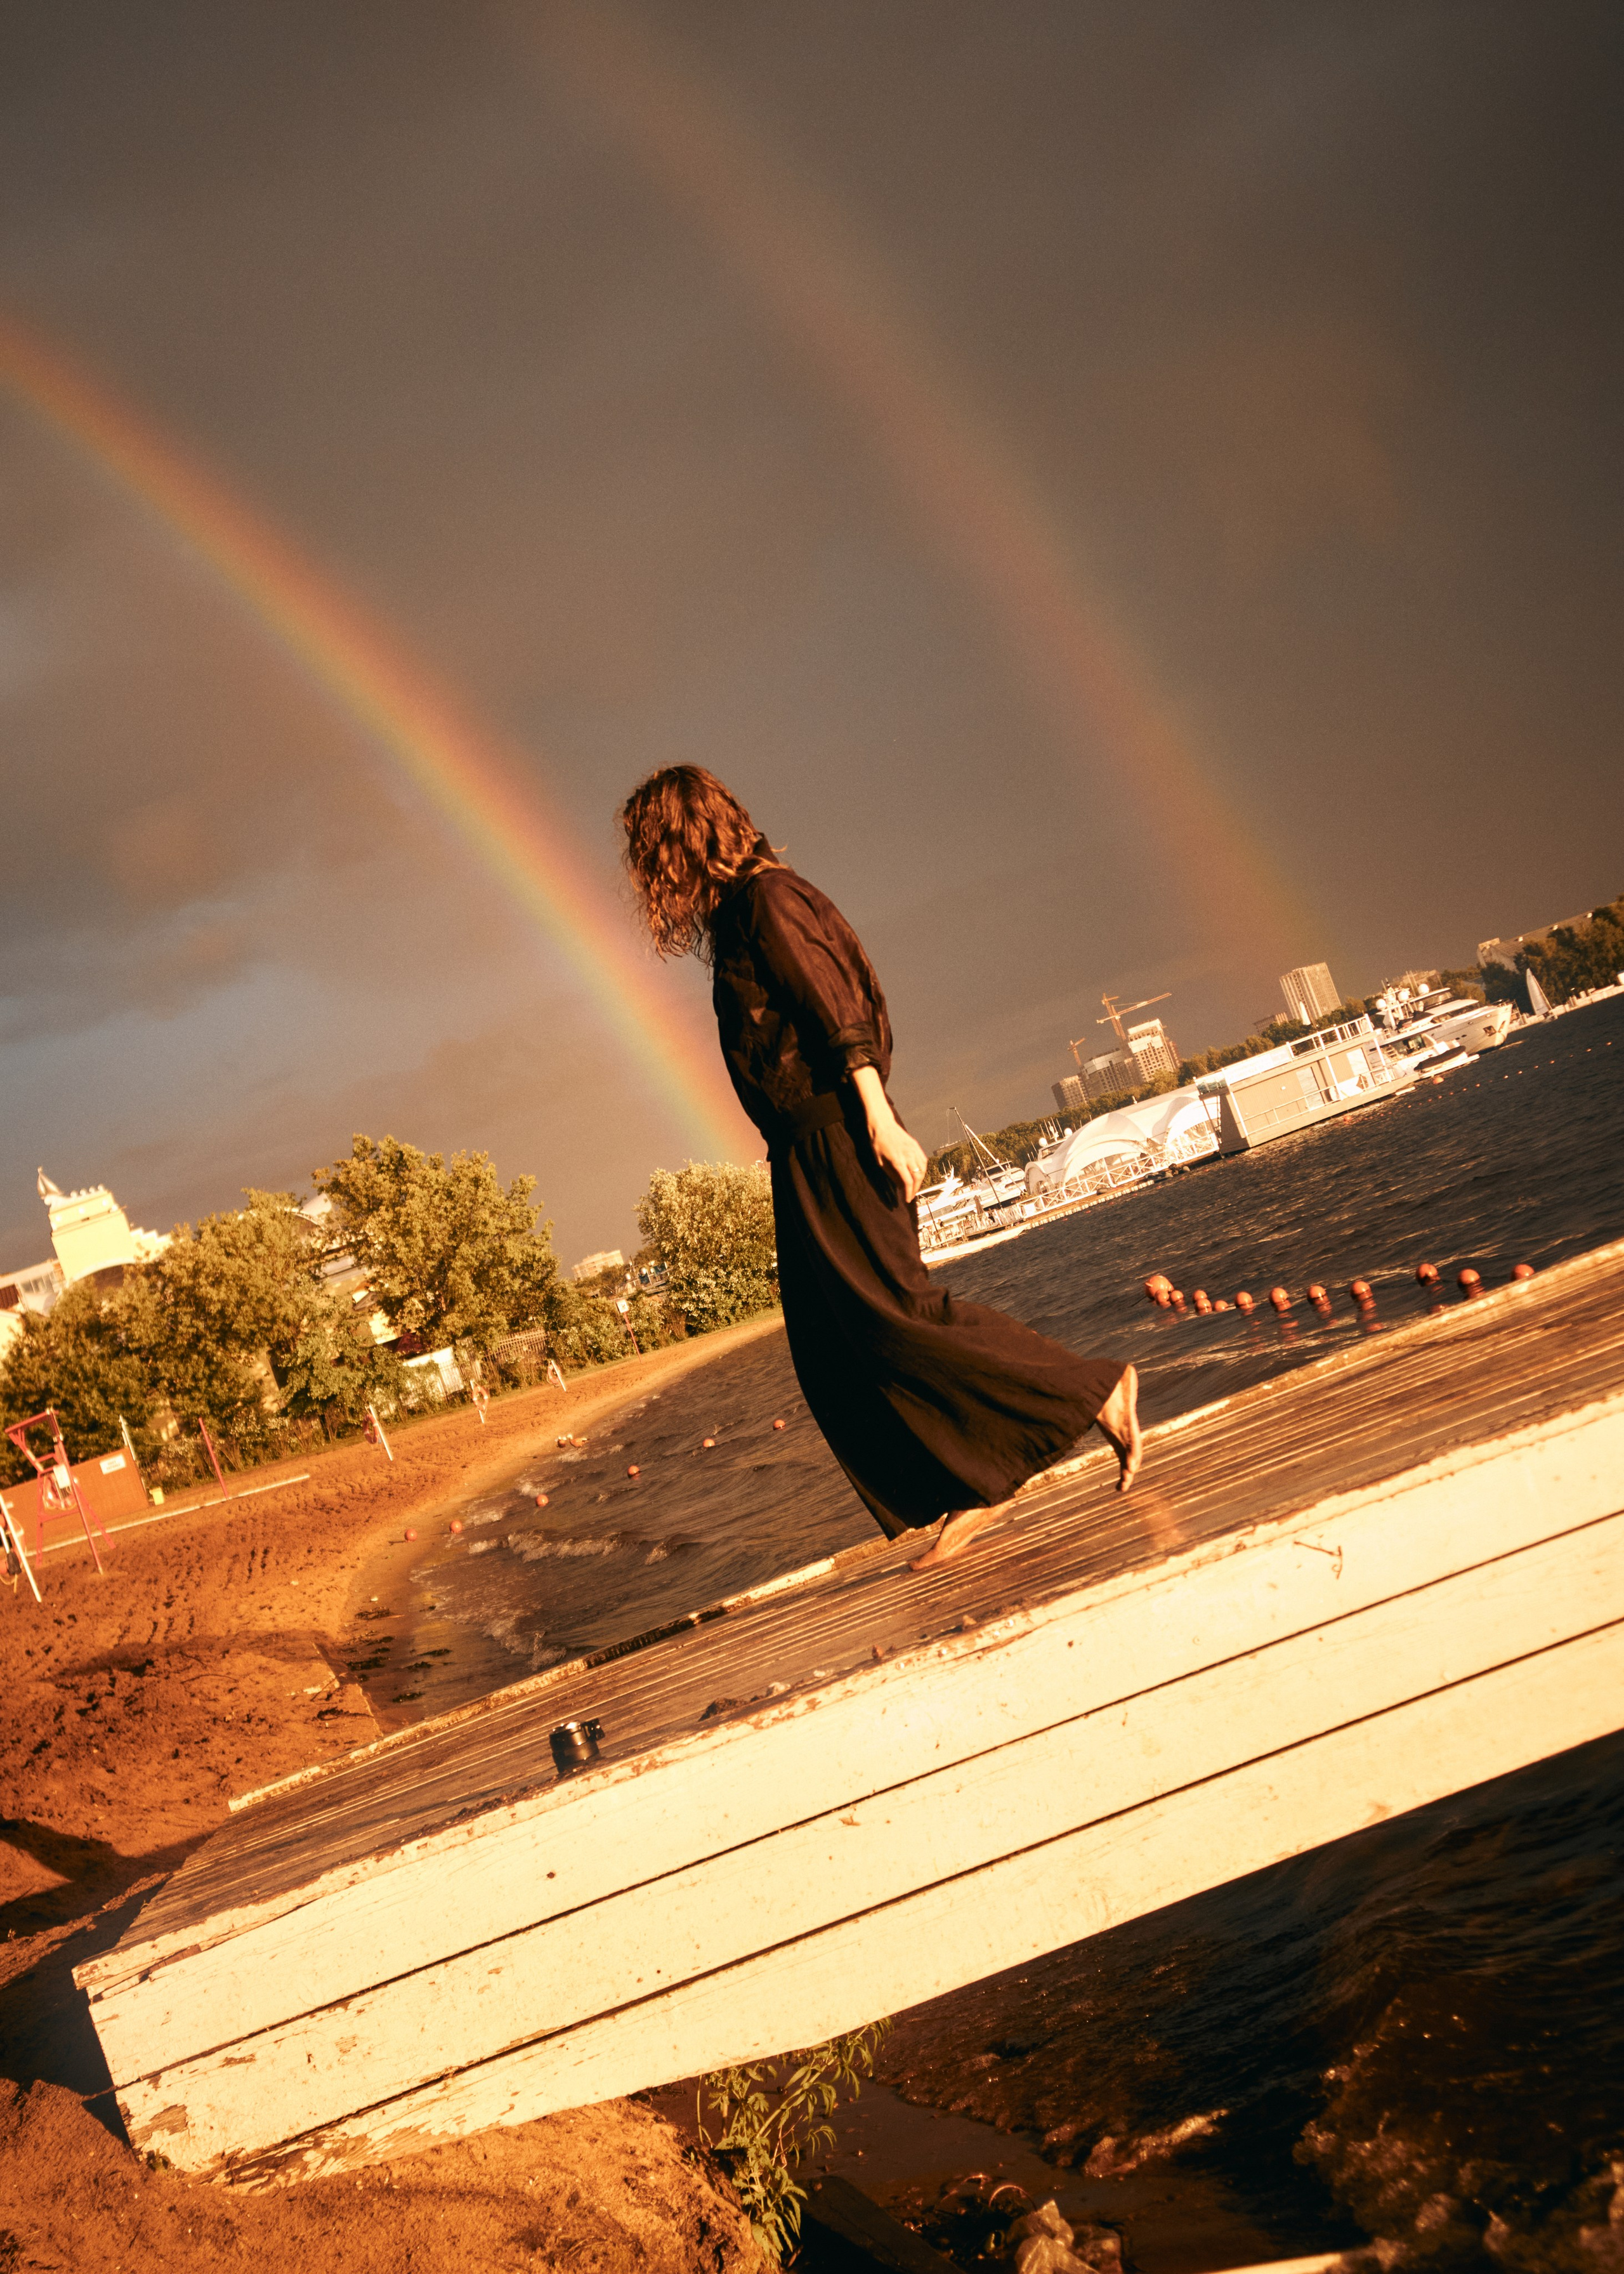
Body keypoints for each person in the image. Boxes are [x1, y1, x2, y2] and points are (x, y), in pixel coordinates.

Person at [618, 766, 1142, 1568]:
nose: (650, 876)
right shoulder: (751, 908)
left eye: (651, 853)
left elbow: (838, 1007)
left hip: (835, 1130)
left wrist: (875, 1117)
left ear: (680, 841)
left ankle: (1089, 1390)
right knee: (832, 1345)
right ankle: (965, 1481)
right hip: (802, 1146)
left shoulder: (769, 901)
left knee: (898, 1313)